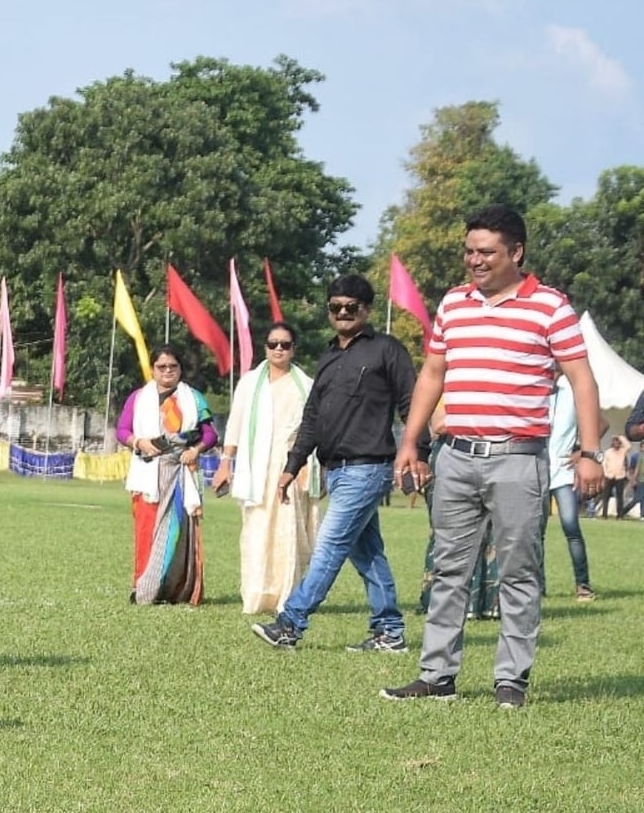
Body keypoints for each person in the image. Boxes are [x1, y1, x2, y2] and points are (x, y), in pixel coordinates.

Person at [386, 204, 604, 709]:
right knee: (448, 570)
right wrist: (410, 441)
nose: (475, 261)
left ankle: (511, 681)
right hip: (455, 456)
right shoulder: (454, 304)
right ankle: (436, 675)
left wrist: (589, 452)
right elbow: (432, 375)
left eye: (486, 252)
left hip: (518, 460)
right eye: (469, 252)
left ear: (516, 252)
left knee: (519, 572)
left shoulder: (550, 307)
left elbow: (582, 379)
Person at [251, 274, 418, 651]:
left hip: (368, 466)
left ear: (367, 309)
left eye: (351, 307)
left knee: (328, 546)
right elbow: (312, 416)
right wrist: (292, 465)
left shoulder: (387, 350)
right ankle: (389, 632)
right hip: (336, 469)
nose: (343, 313)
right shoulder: (328, 357)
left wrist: (418, 451)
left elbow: (412, 403)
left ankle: (290, 623)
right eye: (335, 307)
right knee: (368, 554)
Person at [212, 323, 320, 615]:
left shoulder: (306, 385)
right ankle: (258, 594)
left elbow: (313, 430)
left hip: (291, 466)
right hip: (255, 465)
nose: (279, 349)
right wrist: (225, 462)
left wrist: (307, 467)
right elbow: (235, 424)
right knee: (257, 531)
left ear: (294, 349)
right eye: (273, 344)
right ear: (265, 348)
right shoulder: (249, 383)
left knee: (288, 531)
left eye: (285, 344)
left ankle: (288, 595)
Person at [116, 344, 217, 606]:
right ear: (152, 370)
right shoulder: (138, 398)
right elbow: (122, 430)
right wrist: (139, 443)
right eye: (161, 367)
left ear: (180, 369)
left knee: (180, 532)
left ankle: (177, 589)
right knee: (146, 531)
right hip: (147, 471)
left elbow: (210, 434)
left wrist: (195, 450)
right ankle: (143, 587)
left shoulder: (193, 399)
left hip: (181, 472)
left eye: (173, 366)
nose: (167, 371)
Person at [416, 405, 500, 619]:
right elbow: (439, 424)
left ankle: (486, 603)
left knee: (491, 536)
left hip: (493, 454)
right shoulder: (444, 384)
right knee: (447, 533)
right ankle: (442, 601)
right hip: (451, 454)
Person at [547, 375, 595, 602]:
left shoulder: (571, 392)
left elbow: (600, 423)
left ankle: (583, 585)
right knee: (533, 532)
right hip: (533, 470)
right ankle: (536, 586)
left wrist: (581, 454)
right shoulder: (532, 391)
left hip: (563, 473)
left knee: (571, 527)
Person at [600, 435, 628, 518]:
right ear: (612, 443)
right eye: (615, 442)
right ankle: (604, 514)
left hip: (620, 476)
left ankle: (620, 515)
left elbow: (628, 445)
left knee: (619, 497)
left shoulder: (623, 451)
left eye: (618, 442)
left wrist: (620, 437)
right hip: (609, 476)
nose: (616, 444)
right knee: (606, 496)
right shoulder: (608, 452)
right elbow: (604, 464)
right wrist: (606, 473)